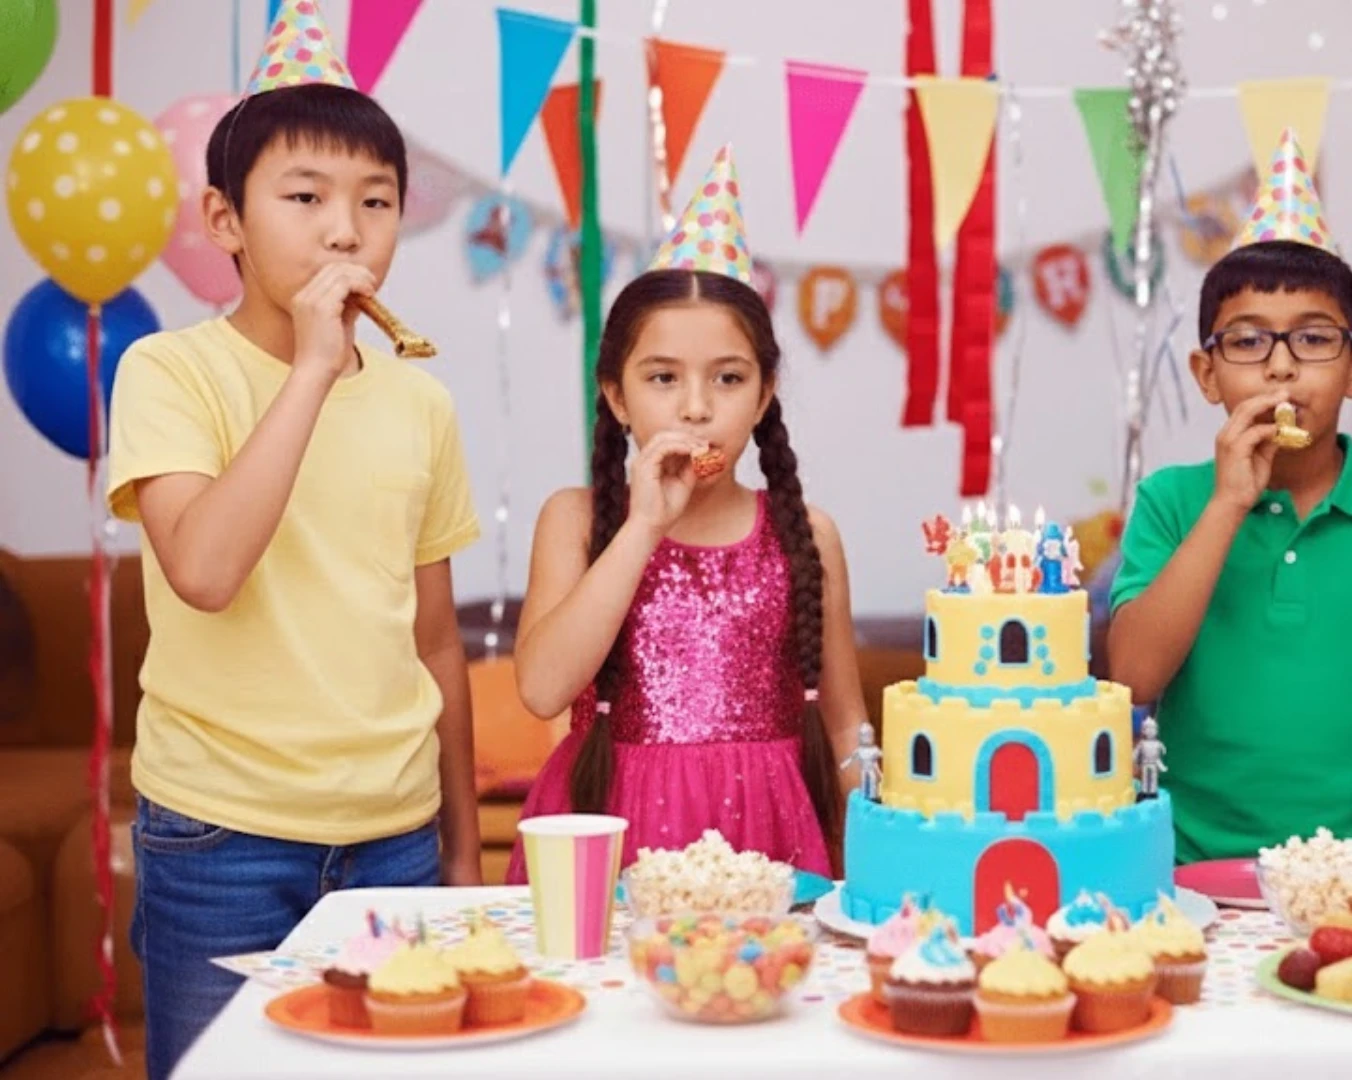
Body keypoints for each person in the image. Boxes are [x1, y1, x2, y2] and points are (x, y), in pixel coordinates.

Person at [104, 10, 479, 1076]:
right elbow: (208, 571)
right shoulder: (171, 374)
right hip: (222, 837)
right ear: (226, 219)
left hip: (397, 840)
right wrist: (313, 369)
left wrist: (458, 846)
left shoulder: (420, 405)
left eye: (376, 202)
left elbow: (437, 641)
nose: (344, 232)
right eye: (305, 198)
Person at [1107, 132, 1352, 862]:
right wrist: (1226, 506)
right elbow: (1131, 679)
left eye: (1313, 339)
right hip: (1190, 866)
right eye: (1247, 343)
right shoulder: (1172, 501)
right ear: (1207, 375)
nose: (1280, 369)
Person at [507, 148, 865, 880]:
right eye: (663, 378)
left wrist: (880, 868)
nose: (697, 406)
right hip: (612, 832)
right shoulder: (576, 522)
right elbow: (543, 688)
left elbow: (846, 727)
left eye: (728, 379)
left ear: (764, 396)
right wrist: (643, 527)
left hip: (768, 837)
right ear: (615, 396)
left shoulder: (810, 536)